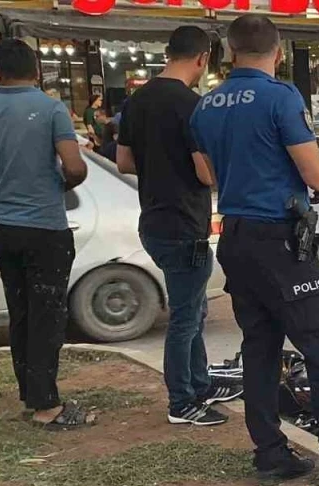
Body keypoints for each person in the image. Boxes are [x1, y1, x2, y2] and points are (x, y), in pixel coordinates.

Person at [190, 15, 319, 486]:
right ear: (278, 53)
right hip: (279, 239)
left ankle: (270, 453)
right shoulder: (280, 97)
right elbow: (317, 175)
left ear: (230, 52)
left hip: (235, 236)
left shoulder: (205, 106)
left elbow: (207, 175)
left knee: (259, 347)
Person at [0, 38, 93, 429]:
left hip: (2, 227)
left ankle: (31, 394)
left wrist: (0, 179)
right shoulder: (51, 109)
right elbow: (75, 167)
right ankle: (47, 406)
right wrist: (57, 185)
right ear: (36, 71)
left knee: (21, 313)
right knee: (47, 315)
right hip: (44, 227)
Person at [118, 25, 241, 427]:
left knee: (195, 309)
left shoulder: (136, 100)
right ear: (203, 58)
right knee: (186, 317)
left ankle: (200, 383)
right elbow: (204, 172)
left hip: (154, 220)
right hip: (185, 222)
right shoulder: (192, 105)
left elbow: (124, 162)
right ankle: (182, 401)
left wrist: (159, 168)